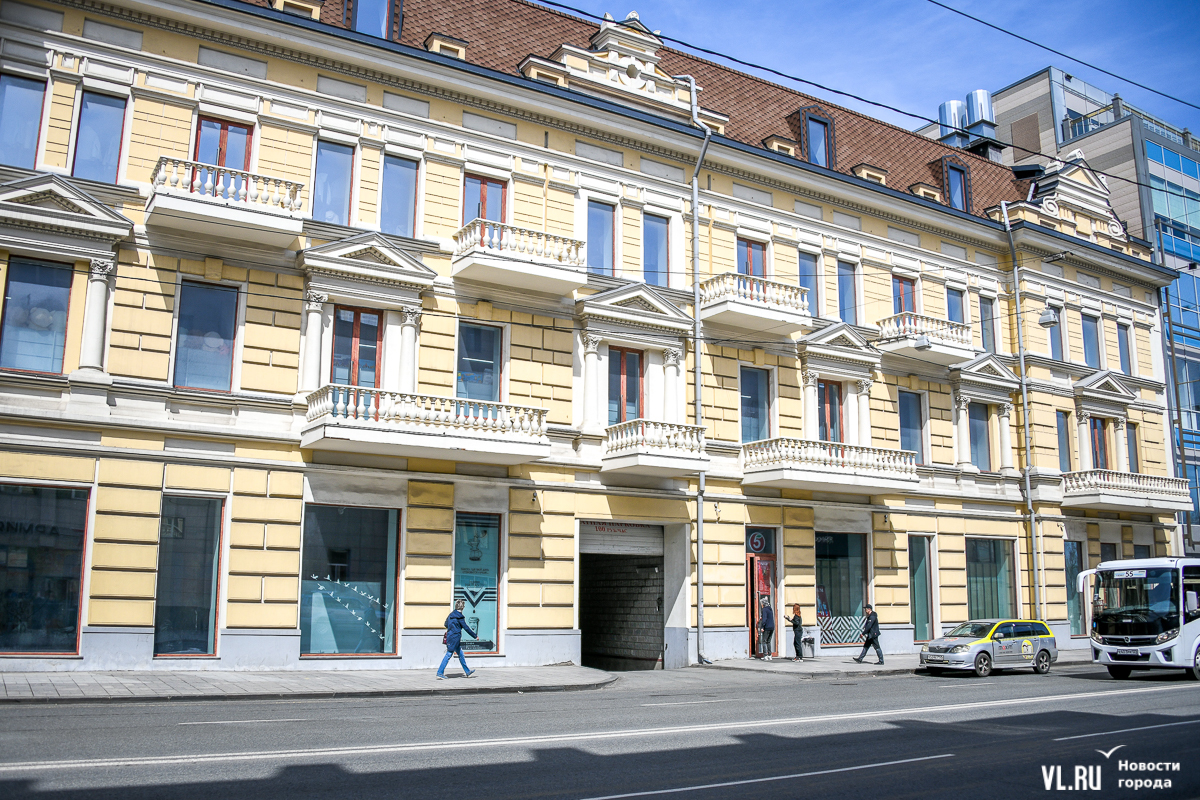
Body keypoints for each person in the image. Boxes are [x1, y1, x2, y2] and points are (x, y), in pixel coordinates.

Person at [437, 599, 477, 679]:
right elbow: (466, 628)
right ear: (462, 607)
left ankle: (467, 671)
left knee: (461, 654)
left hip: (450, 637)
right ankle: (440, 672)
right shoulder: (460, 617)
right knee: (448, 654)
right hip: (455, 638)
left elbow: (445, 624)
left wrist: (452, 628)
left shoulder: (451, 615)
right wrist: (475, 636)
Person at [758, 596, 775, 661]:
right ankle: (770, 655)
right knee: (768, 641)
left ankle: (765, 655)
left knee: (764, 641)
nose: (761, 605)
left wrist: (762, 627)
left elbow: (764, 619)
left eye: (761, 604)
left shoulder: (764, 609)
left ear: (763, 604)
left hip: (767, 627)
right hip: (772, 627)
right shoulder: (770, 609)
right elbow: (769, 617)